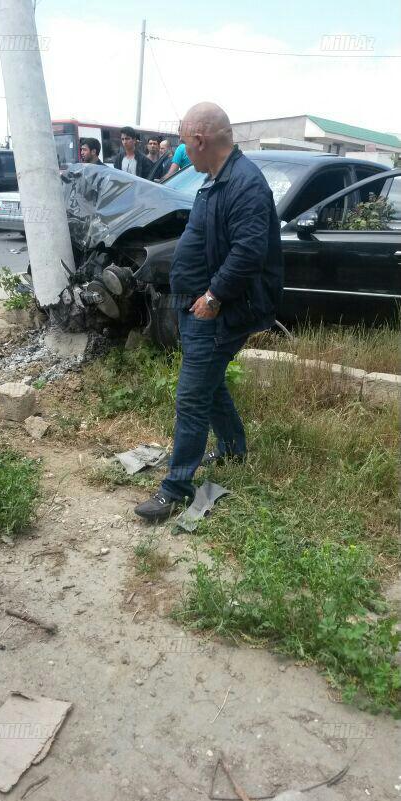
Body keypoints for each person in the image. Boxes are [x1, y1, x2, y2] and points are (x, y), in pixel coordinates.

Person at [135, 102, 283, 522]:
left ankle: (174, 488)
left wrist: (214, 296)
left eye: (184, 142)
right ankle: (234, 448)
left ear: (199, 140)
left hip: (218, 311)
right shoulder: (218, 177)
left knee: (192, 397)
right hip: (195, 306)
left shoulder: (245, 184)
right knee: (211, 384)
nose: (182, 151)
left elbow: (249, 251)